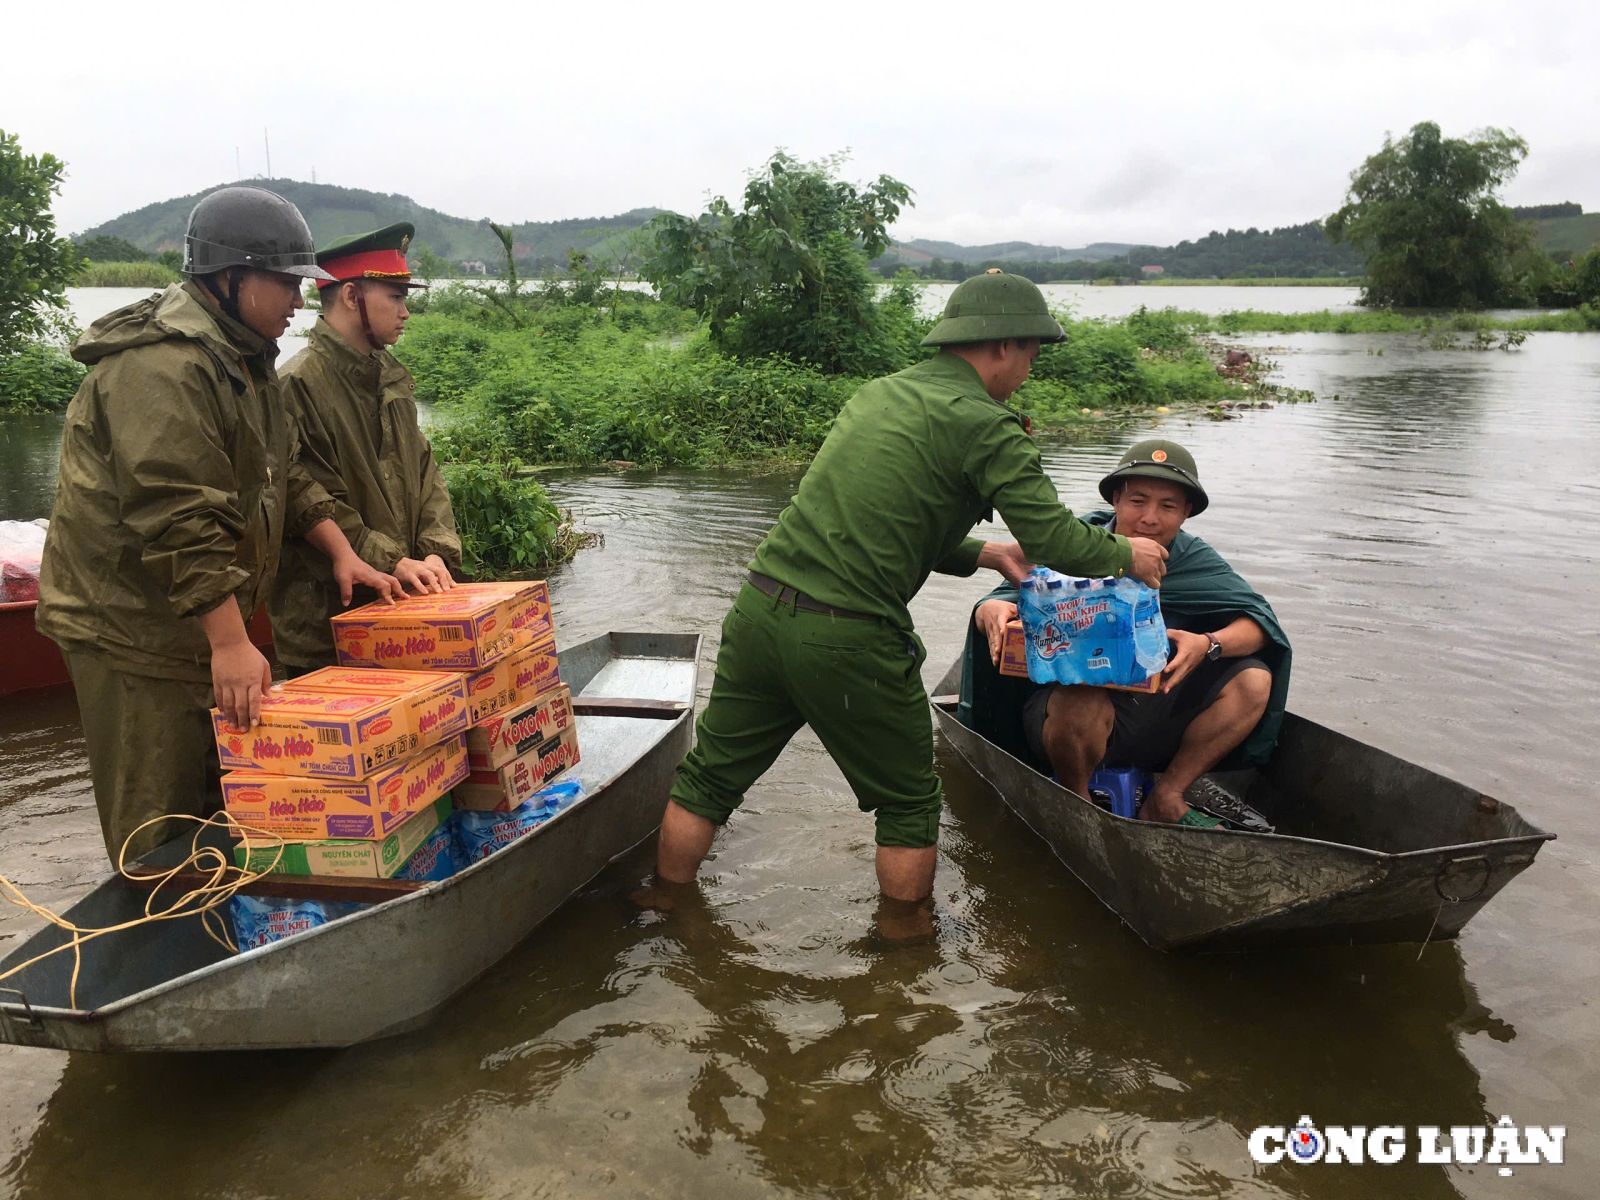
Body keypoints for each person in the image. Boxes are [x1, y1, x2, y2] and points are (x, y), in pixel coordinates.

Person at [655, 271, 1170, 903]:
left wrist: (987, 553)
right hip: (849, 636)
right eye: (1032, 354)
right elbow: (1059, 542)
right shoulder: (989, 426)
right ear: (1003, 346)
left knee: (709, 779)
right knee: (908, 802)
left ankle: (664, 908)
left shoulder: (878, 396)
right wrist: (1128, 554)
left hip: (761, 609)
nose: (1028, 372)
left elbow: (872, 524)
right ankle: (903, 967)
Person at [37, 186, 398, 864]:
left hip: (191, 621)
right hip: (132, 630)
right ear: (229, 278)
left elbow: (282, 473)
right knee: (159, 823)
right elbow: (178, 514)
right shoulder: (163, 366)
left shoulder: (243, 357)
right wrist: (231, 643)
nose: (299, 299)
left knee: (218, 805)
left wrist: (343, 552)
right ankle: (157, 943)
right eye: (286, 281)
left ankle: (221, 922)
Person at [961, 438, 1292, 826]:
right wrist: (994, 610)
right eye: (1138, 500)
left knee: (1253, 680)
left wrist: (1207, 643)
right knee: (1080, 696)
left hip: (1151, 710)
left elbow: (1259, 625)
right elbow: (1002, 594)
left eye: (1168, 506)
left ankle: (1168, 795)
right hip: (1061, 712)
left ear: (1185, 513)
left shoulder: (1192, 558)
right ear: (1116, 499)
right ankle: (1076, 800)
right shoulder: (1076, 542)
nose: (1150, 518)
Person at [268, 222, 461, 675]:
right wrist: (391, 559)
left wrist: (436, 551)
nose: (405, 311)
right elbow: (303, 497)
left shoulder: (390, 378)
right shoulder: (295, 386)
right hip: (330, 622)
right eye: (395, 297)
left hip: (404, 608)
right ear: (352, 297)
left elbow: (425, 472)